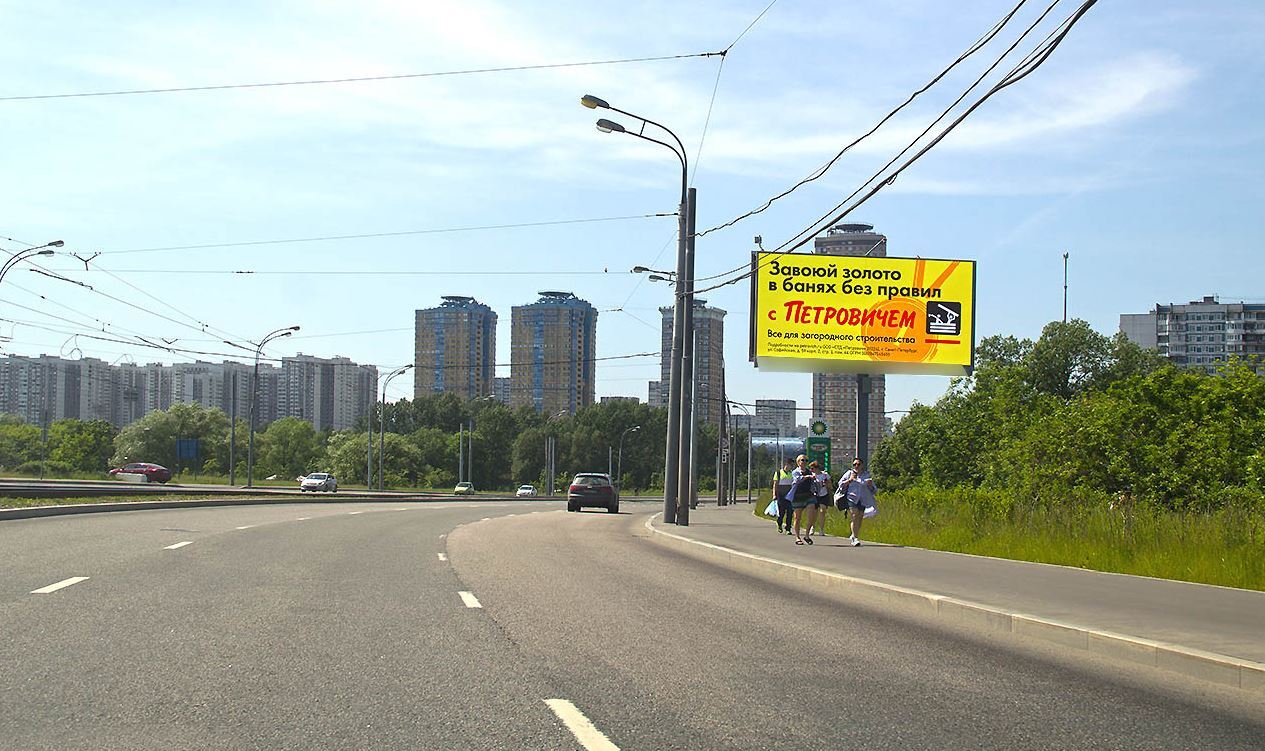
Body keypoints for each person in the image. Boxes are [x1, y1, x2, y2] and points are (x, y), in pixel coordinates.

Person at [836, 457, 876, 547]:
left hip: (863, 499)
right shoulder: (849, 473)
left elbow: (874, 489)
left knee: (860, 516)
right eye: (854, 464)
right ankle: (855, 537)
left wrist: (870, 485)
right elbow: (840, 485)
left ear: (862, 466)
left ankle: (854, 534)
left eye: (858, 464)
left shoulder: (866, 475)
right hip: (852, 497)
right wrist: (849, 480)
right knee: (854, 514)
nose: (856, 466)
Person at [787, 456, 818, 544]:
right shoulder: (795, 472)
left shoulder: (809, 471)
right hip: (798, 496)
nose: (804, 462)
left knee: (811, 516)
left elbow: (815, 480)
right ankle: (797, 537)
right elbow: (797, 480)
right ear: (798, 462)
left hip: (809, 495)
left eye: (806, 460)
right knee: (797, 517)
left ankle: (807, 535)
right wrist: (807, 477)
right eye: (802, 460)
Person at [772, 457, 795, 534]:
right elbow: (775, 485)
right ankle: (779, 524)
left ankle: (788, 528)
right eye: (791, 465)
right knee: (781, 512)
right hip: (781, 494)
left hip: (789, 494)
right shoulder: (778, 473)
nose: (792, 467)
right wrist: (774, 495)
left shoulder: (792, 474)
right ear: (787, 464)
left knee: (790, 512)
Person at [809, 462, 831, 538]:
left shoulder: (825, 475)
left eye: (812, 468)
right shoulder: (811, 476)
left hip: (823, 495)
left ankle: (821, 529)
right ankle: (813, 526)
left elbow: (830, 486)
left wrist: (825, 483)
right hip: (814, 495)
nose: (811, 470)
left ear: (817, 468)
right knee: (814, 512)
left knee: (822, 511)